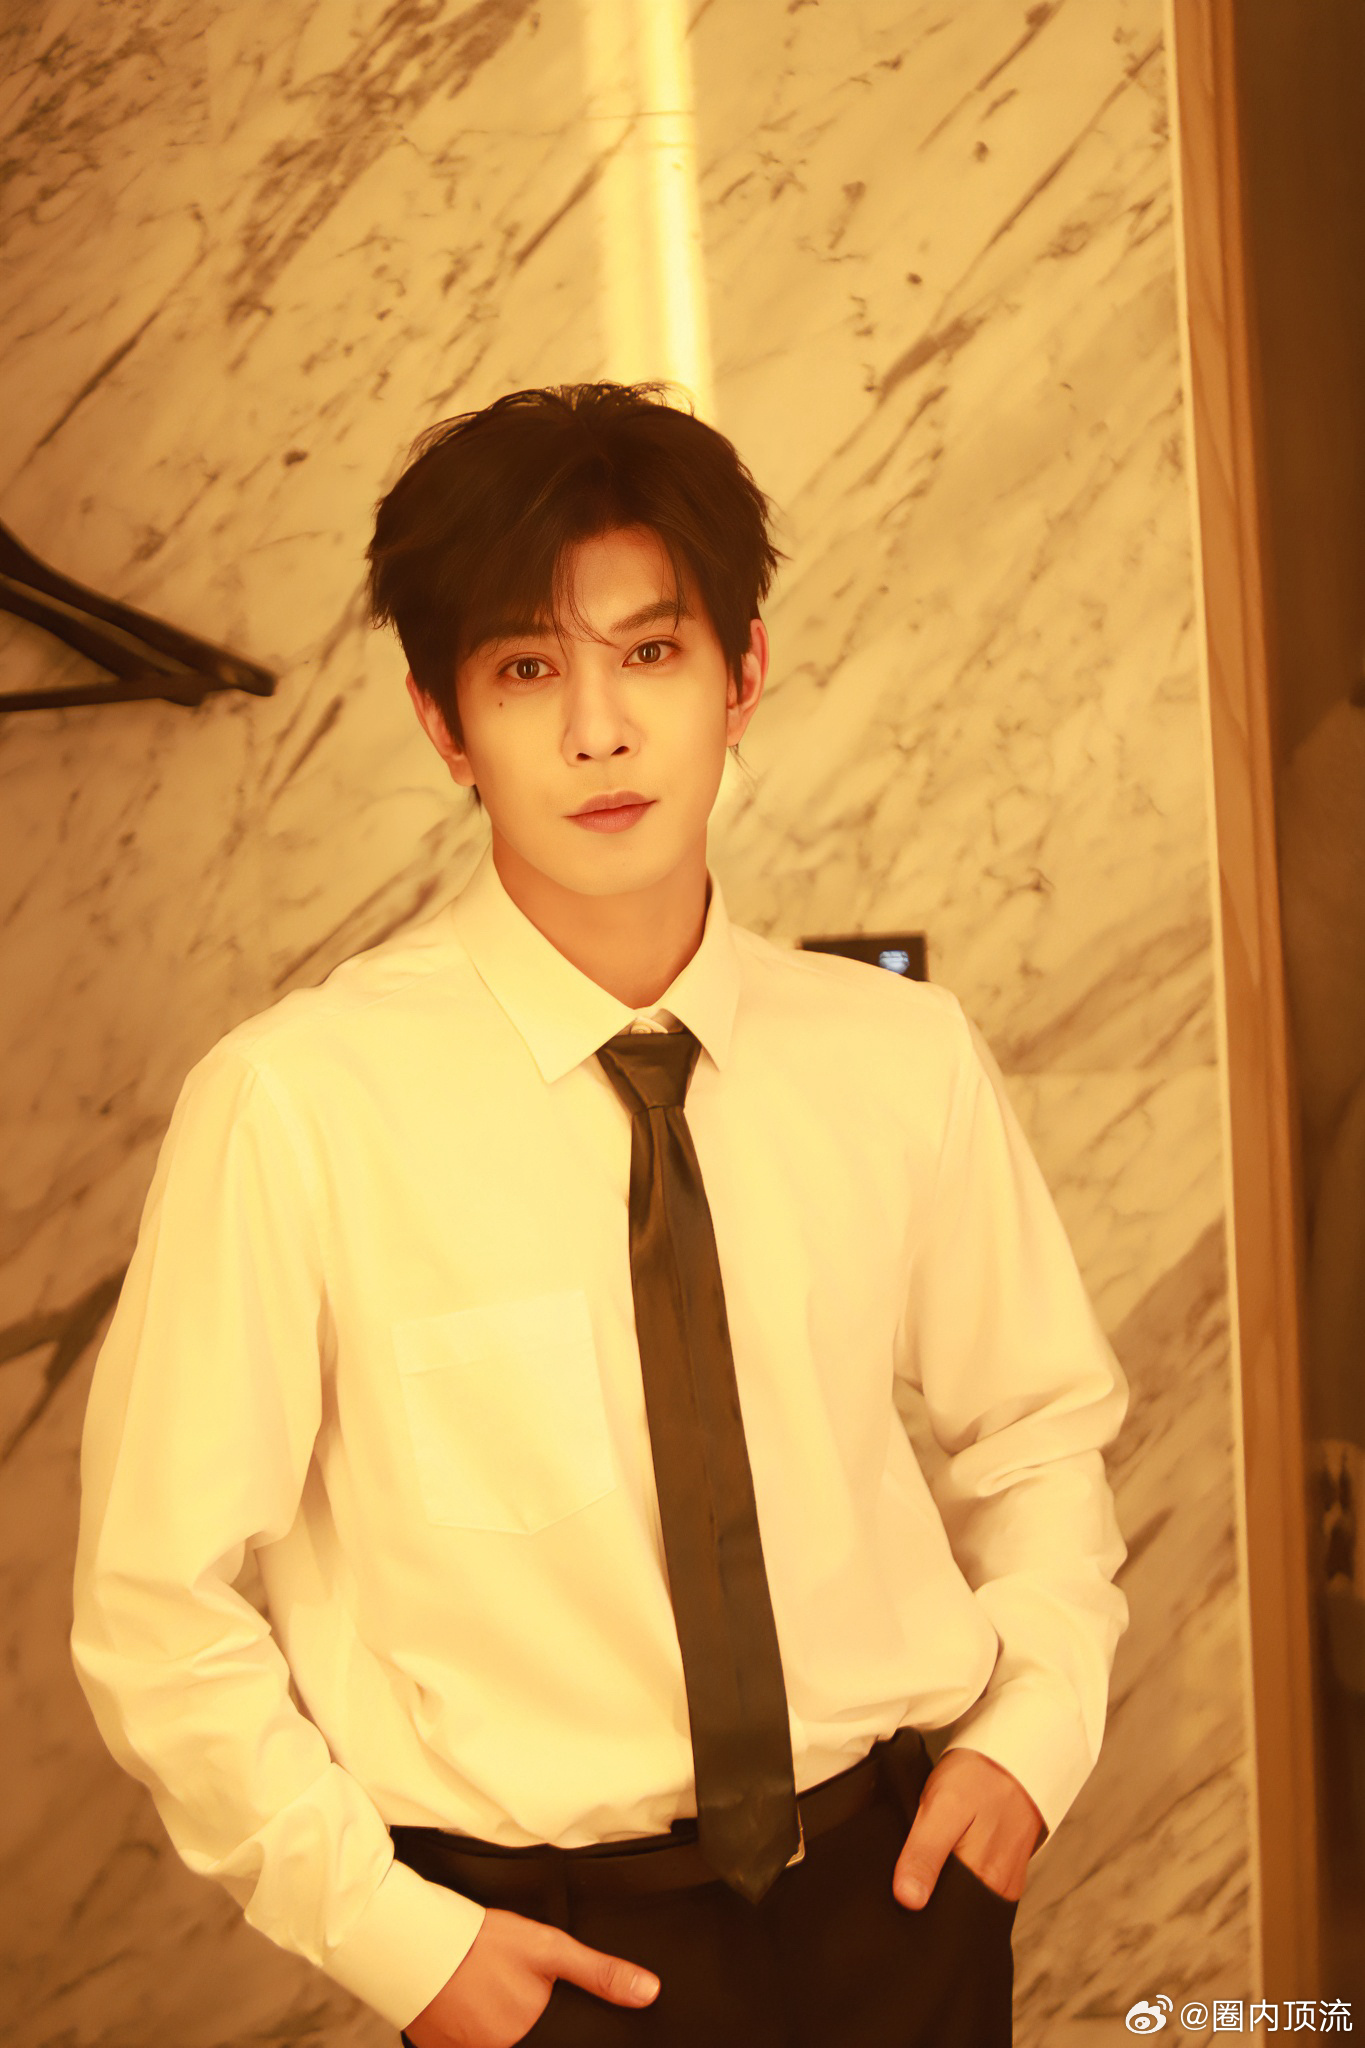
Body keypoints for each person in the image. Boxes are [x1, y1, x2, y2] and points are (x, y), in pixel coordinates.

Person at [72, 383, 1128, 2048]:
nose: (598, 731)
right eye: (523, 670)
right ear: (442, 723)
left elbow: (1038, 1430)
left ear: (741, 674)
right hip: (540, 1955)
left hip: (895, 1906)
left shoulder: (898, 1058)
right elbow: (154, 1600)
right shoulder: (298, 1105)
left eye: (649, 652)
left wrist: (1031, 1732)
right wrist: (398, 1943)